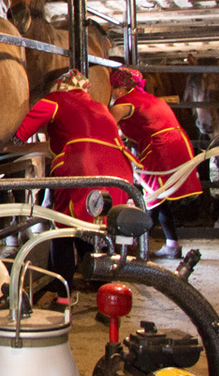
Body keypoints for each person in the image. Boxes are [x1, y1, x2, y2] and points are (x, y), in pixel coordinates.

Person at [14, 68, 138, 305]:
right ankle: (106, 296)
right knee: (94, 228)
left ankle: (64, 297)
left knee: (63, 229)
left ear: (60, 86)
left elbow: (23, 131)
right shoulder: (101, 107)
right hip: (119, 172)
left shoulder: (57, 99)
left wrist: (13, 141)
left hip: (82, 167)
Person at [108, 65, 203, 258]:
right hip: (177, 144)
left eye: (113, 89)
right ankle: (172, 245)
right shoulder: (148, 98)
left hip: (161, 150)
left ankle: (134, 246)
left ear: (120, 89)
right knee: (160, 197)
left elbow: (106, 127)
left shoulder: (123, 103)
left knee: (151, 199)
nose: (112, 93)